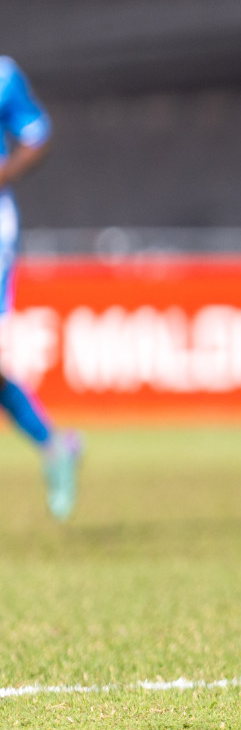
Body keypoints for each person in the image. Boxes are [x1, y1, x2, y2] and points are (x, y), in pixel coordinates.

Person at [0, 57, 80, 521]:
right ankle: (55, 446)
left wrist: (5, 174)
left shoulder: (4, 77)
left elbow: (36, 136)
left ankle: (54, 447)